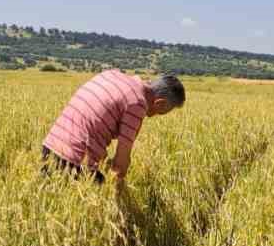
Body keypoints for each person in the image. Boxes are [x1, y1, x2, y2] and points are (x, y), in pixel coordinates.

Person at [41, 70, 184, 183]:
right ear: (160, 103)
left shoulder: (111, 74)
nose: (155, 116)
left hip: (50, 146)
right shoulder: (138, 103)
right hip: (74, 160)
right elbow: (121, 164)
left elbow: (94, 124)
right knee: (99, 195)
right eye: (162, 112)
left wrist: (104, 161)